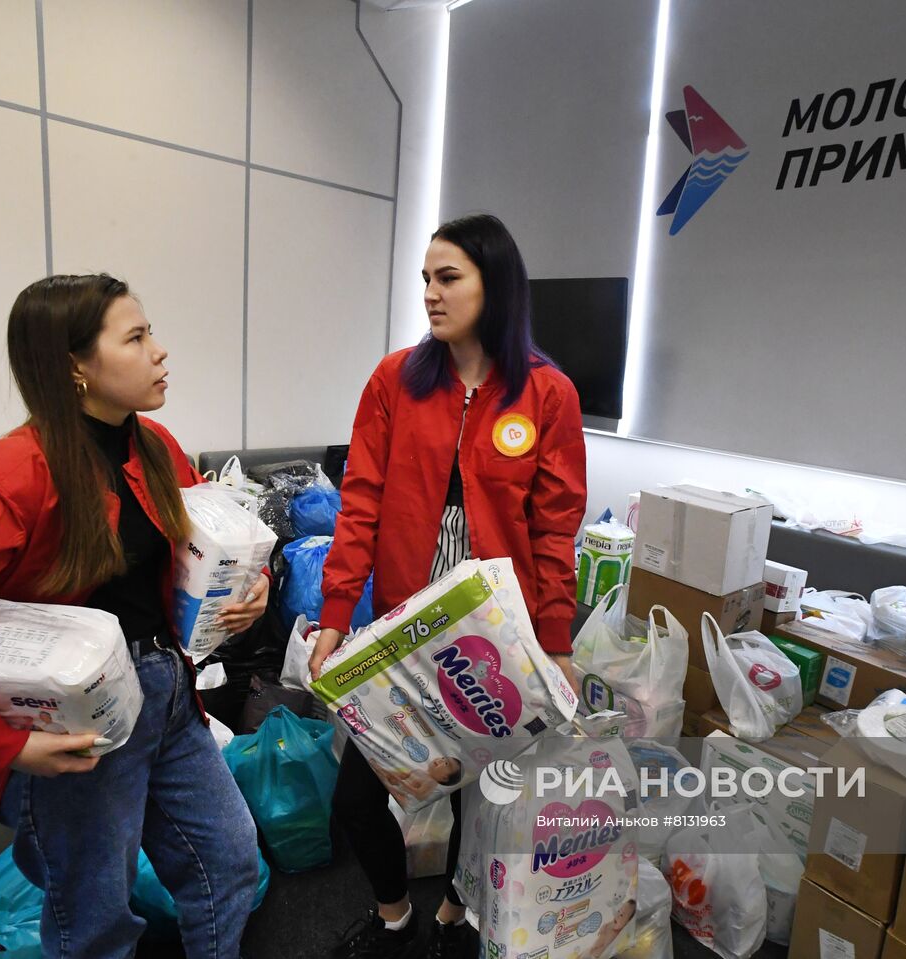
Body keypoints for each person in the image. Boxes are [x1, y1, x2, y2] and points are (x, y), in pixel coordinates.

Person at [0, 274, 267, 959]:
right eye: (137, 336)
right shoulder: (13, 477)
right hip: (78, 733)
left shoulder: (155, 447)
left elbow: (211, 542)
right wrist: (0, 745)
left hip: (168, 698)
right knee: (96, 922)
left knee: (230, 861)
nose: (160, 352)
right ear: (75, 366)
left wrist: (250, 588)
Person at [308, 214, 588, 959]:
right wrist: (336, 613)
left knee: (481, 796)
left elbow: (556, 528)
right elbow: (360, 500)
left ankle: (454, 914)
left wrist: (555, 642)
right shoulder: (396, 380)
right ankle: (394, 911)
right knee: (361, 793)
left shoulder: (547, 394)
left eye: (448, 277)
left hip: (497, 632)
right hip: (402, 626)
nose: (430, 293)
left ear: (494, 284)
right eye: (426, 278)